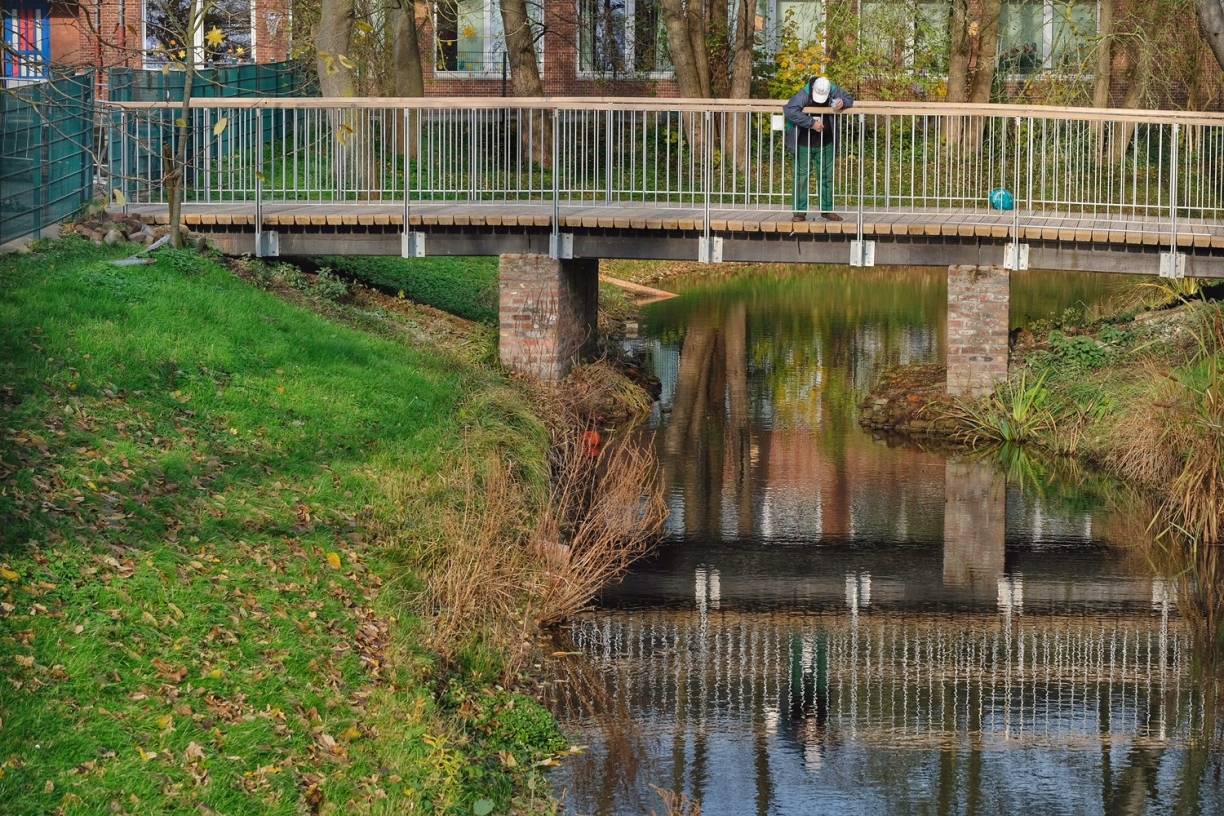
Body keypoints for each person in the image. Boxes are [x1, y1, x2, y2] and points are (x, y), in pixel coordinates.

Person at [784, 76, 854, 222]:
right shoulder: (804, 93)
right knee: (801, 178)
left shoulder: (833, 90)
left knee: (826, 177)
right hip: (804, 142)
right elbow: (790, 110)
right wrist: (811, 123)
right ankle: (799, 212)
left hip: (826, 141)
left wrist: (843, 103)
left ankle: (827, 210)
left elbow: (849, 99)